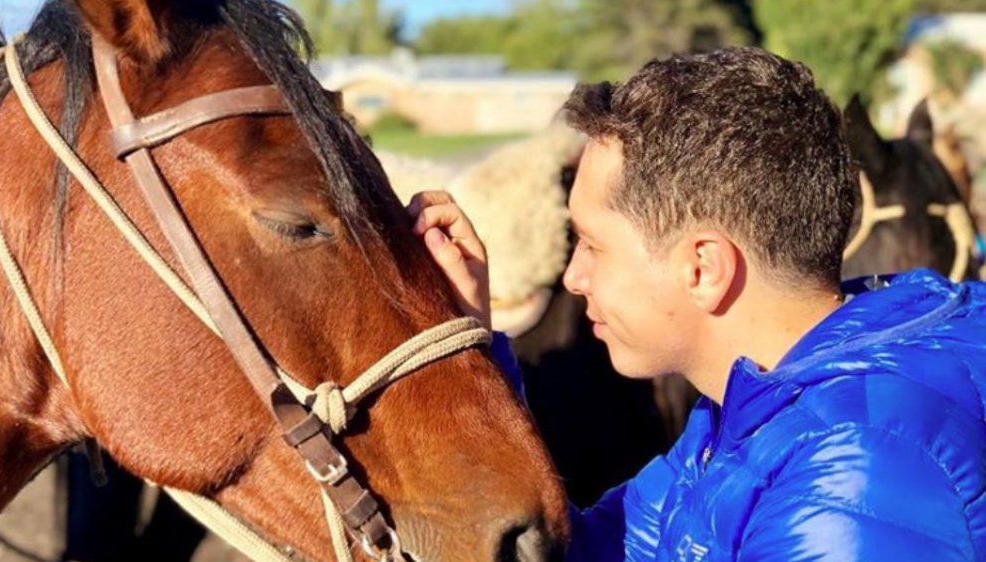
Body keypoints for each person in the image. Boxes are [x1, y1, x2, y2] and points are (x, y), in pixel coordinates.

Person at [407, 47, 986, 561]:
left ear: (703, 268)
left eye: (591, 244)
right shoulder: (747, 406)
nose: (575, 276)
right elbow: (584, 552)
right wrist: (467, 345)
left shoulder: (856, 477)